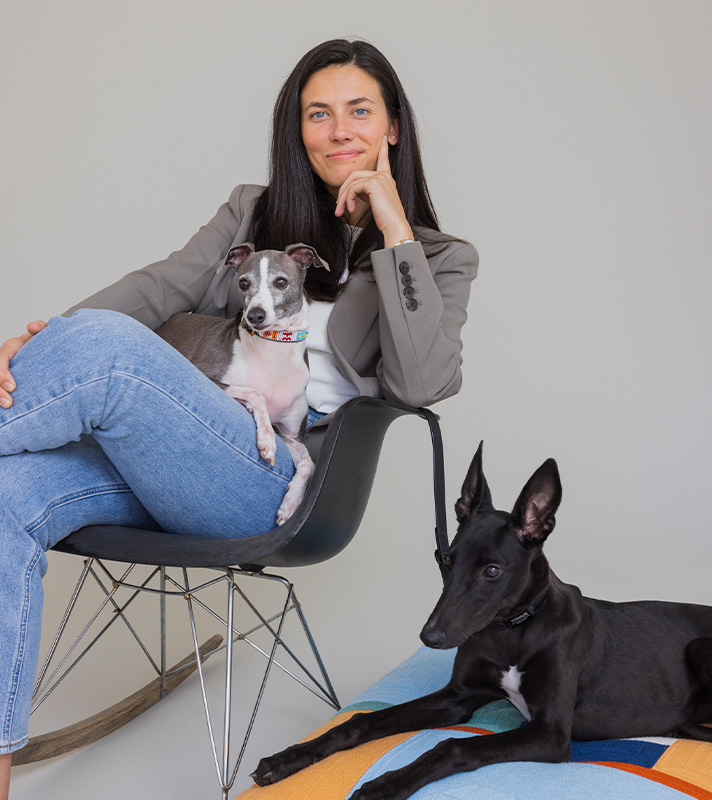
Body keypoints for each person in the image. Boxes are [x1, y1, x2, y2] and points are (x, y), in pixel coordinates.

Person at [0, 38, 478, 794]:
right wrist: (37, 341)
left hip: (270, 482)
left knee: (109, 349)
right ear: (299, 131)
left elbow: (421, 382)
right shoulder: (251, 210)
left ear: (392, 127)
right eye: (318, 114)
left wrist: (394, 230)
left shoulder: (440, 257)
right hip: (169, 457)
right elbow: (162, 288)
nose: (339, 130)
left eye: (360, 110)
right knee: (8, 492)